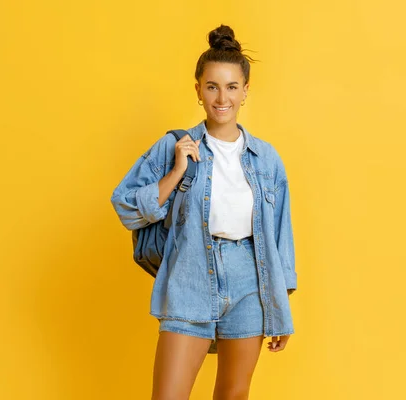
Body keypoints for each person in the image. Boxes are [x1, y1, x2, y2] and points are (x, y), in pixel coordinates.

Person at [110, 24, 297, 400]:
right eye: (212, 86)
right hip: (191, 277)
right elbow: (127, 206)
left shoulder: (267, 159)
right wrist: (178, 170)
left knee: (232, 395)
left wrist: (280, 306)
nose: (221, 97)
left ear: (245, 91)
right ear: (198, 90)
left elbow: (280, 238)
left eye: (231, 87)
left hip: (251, 285)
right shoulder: (174, 146)